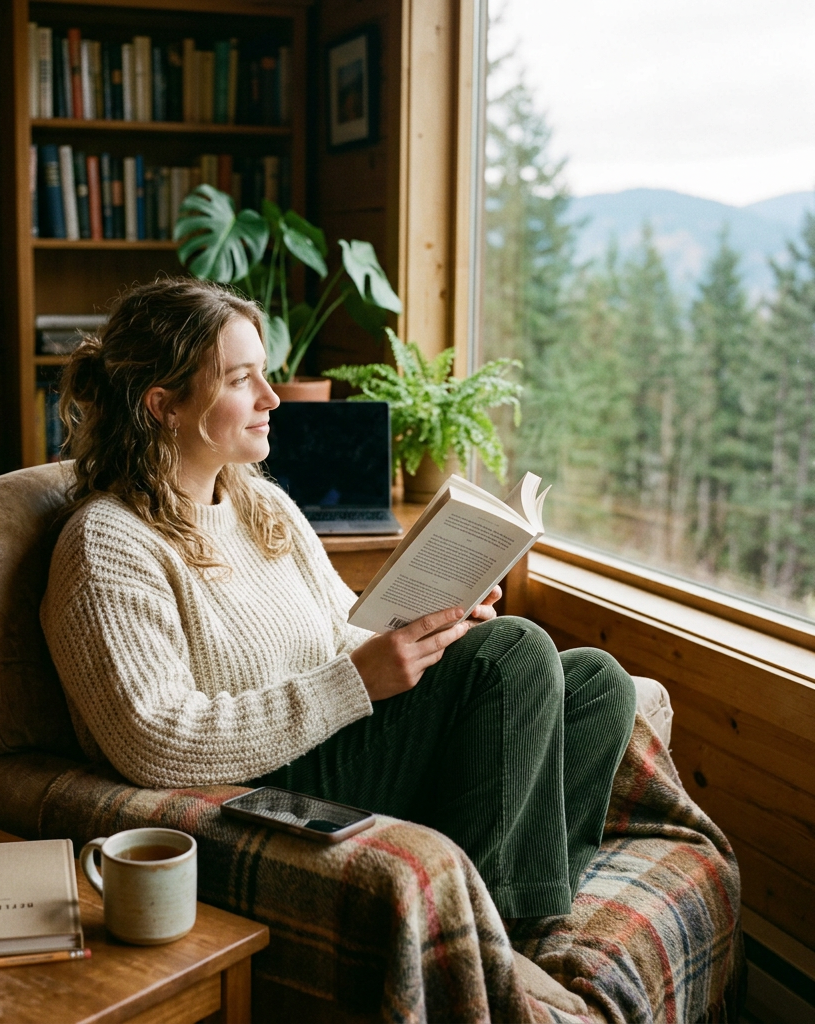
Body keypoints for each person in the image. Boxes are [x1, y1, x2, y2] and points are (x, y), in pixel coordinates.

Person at [41, 277, 637, 919]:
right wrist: (355, 683)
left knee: (598, 684)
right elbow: (153, 739)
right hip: (257, 789)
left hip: (336, 736)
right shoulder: (107, 543)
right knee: (513, 652)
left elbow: (340, 634)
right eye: (241, 380)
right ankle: (493, 937)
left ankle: (526, 909)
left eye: (263, 374)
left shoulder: (260, 505)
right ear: (165, 406)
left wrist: (437, 630)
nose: (271, 397)